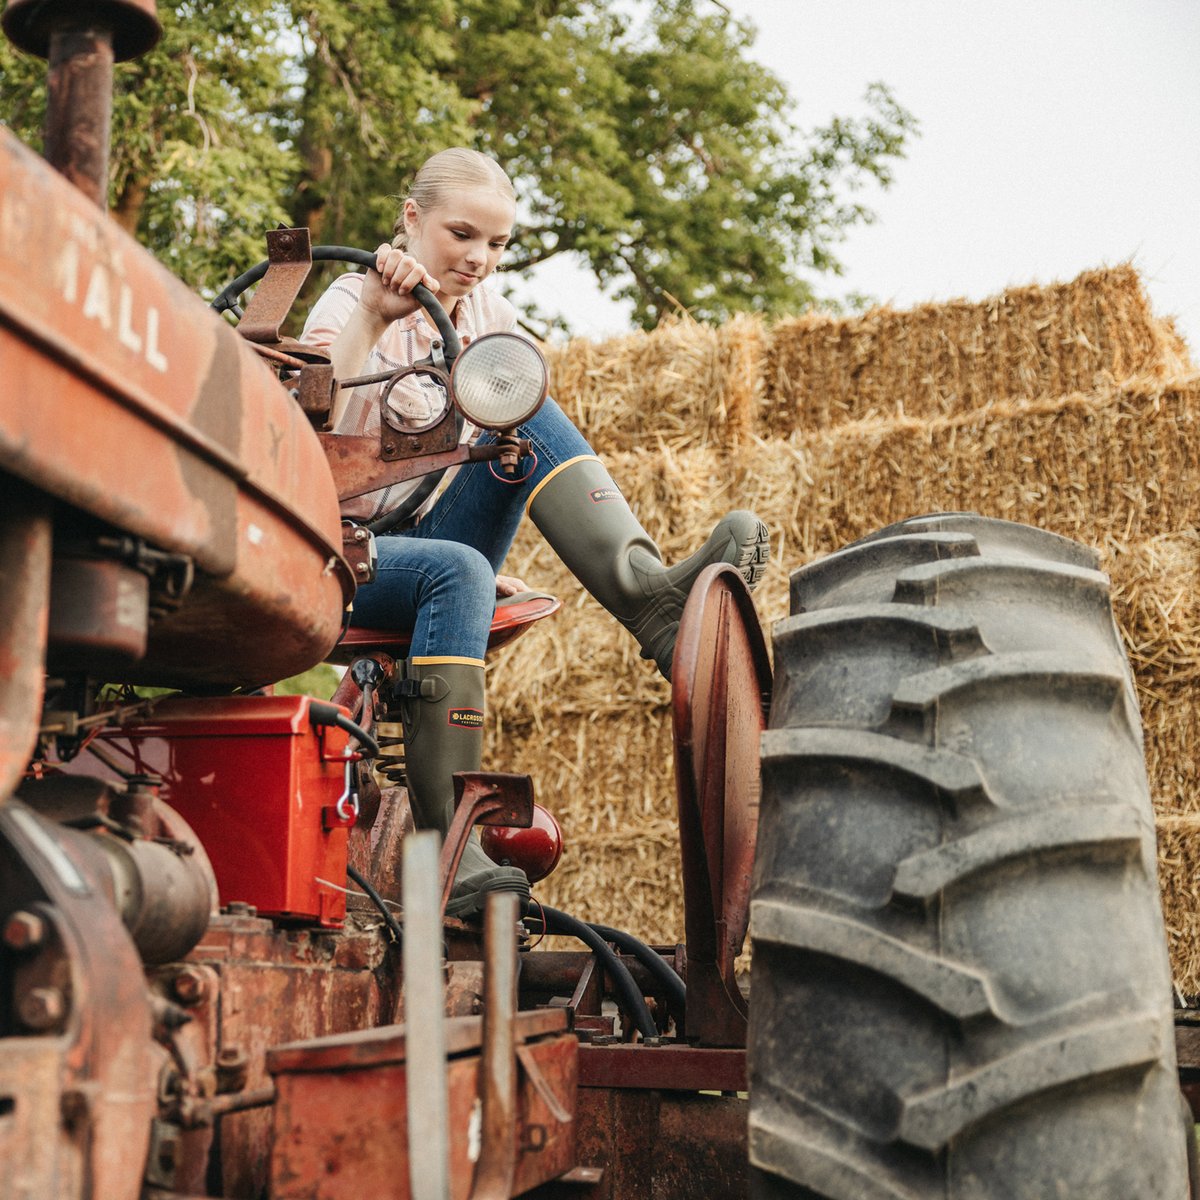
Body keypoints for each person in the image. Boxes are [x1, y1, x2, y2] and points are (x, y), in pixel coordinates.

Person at [302, 147, 769, 917]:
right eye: (462, 236)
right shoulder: (348, 300)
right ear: (411, 220)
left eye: (498, 244)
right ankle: (446, 846)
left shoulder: (486, 314)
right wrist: (373, 321)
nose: (480, 259)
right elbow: (300, 439)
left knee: (525, 405)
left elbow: (482, 449)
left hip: (411, 539)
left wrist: (475, 553)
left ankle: (649, 599)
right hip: (332, 555)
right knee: (454, 570)